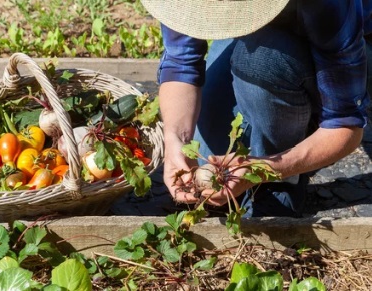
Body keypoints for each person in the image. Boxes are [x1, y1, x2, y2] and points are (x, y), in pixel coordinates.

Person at [140, 0, 372, 217]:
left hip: (348, 45)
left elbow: (346, 123)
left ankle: (281, 182)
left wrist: (263, 169)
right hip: (249, 38)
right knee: (206, 156)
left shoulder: (329, 6)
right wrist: (176, 139)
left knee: (262, 61)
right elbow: (181, 62)